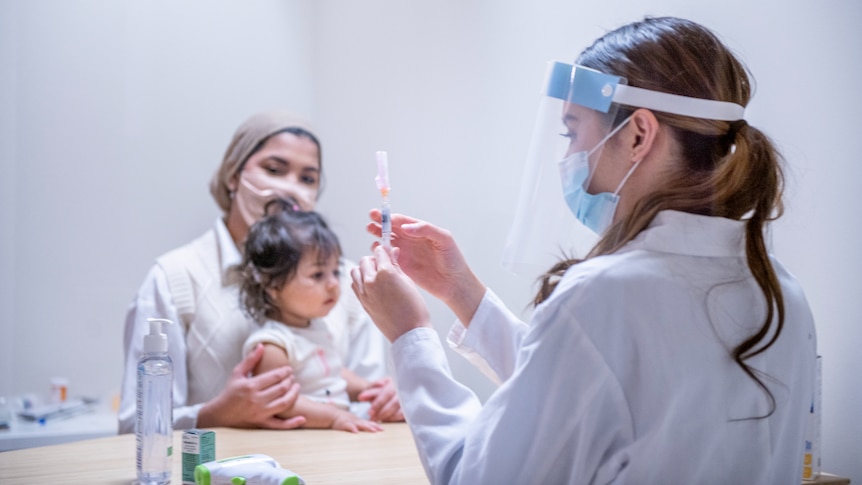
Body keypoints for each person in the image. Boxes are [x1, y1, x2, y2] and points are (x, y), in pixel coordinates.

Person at [350, 17, 816, 484]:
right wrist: (462, 291)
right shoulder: (781, 292)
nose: (570, 157)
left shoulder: (606, 293)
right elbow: (594, 393)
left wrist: (409, 334)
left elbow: (473, 476)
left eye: (573, 133)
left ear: (638, 134)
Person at [120, 111, 401, 433]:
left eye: (307, 179)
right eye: (274, 170)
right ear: (233, 175)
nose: (290, 189)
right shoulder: (174, 277)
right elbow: (134, 426)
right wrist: (216, 414)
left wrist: (389, 399)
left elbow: (366, 401)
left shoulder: (346, 280)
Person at [237, 200, 389, 433]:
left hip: (329, 434)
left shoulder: (316, 328)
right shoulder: (273, 345)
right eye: (318, 274)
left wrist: (366, 388)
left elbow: (330, 372)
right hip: (300, 440)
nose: (333, 284)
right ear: (272, 284)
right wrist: (335, 417)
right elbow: (280, 402)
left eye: (335, 271)